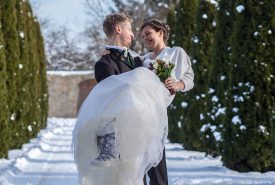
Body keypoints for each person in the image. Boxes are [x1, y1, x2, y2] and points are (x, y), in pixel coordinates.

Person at [72, 14, 194, 185]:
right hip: (125, 134)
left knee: (159, 173)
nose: (134, 35)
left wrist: (178, 84)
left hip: (150, 123)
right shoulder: (105, 63)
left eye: (145, 34)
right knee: (133, 176)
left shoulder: (139, 59)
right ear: (118, 29)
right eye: (130, 29)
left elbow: (181, 77)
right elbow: (107, 103)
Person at [140, 19, 194, 185]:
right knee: (138, 162)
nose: (145, 38)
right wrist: (107, 52)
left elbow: (189, 78)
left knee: (157, 159)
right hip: (139, 111)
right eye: (142, 36)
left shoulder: (176, 53)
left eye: (148, 34)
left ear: (160, 33)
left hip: (157, 113)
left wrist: (178, 85)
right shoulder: (142, 59)